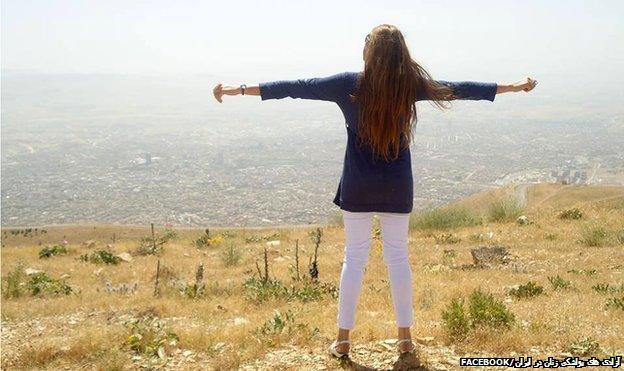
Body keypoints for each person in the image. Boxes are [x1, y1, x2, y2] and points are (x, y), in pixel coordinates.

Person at [212, 24, 538, 359]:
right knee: (398, 259)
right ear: (400, 53)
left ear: (369, 52)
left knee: (354, 259)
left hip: (358, 186)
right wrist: (513, 86)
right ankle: (405, 339)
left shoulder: (347, 85)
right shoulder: (408, 86)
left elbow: (296, 87)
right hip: (396, 185)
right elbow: (458, 89)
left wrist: (240, 90)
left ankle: (342, 341)